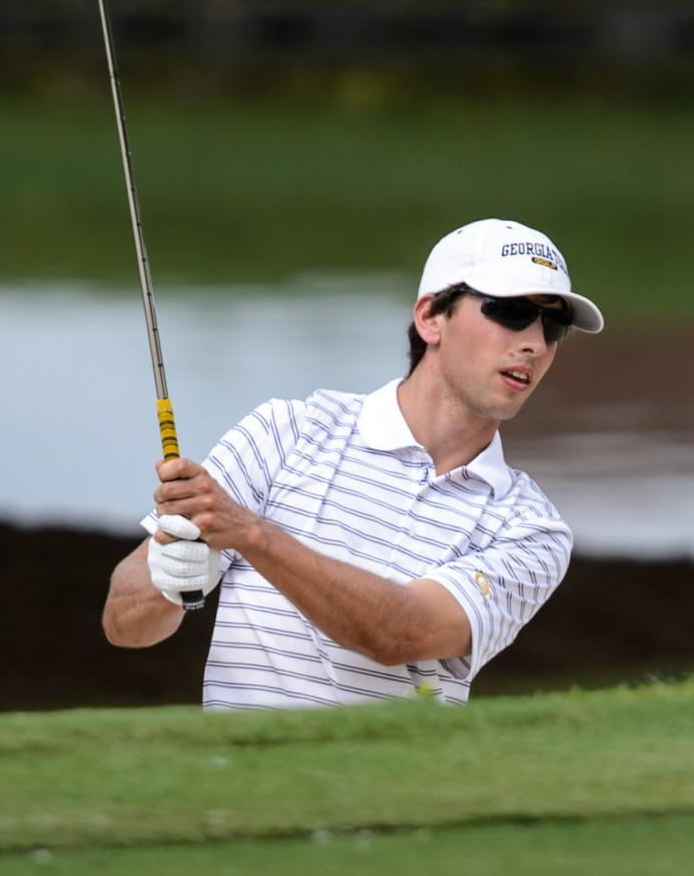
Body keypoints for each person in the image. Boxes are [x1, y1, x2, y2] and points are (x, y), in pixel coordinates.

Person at [101, 218, 604, 709]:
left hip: (389, 792)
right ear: (431, 317)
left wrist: (253, 536)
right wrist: (167, 580)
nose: (535, 343)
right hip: (239, 782)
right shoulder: (286, 432)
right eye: (511, 311)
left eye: (554, 324)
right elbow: (123, 626)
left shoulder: (532, 528)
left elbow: (401, 634)